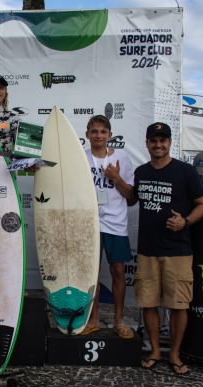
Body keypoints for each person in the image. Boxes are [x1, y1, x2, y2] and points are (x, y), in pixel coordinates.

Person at [131, 122, 203, 375]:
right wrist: (116, 179)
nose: (158, 144)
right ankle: (154, 350)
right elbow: (132, 197)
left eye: (163, 140)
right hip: (147, 251)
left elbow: (202, 204)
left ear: (170, 142)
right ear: (147, 143)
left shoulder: (186, 171)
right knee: (149, 303)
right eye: (154, 140)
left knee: (178, 305)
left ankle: (174, 354)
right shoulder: (141, 171)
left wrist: (185, 221)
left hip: (178, 251)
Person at [82, 115, 135, 339]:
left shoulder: (122, 158)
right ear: (87, 135)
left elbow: (131, 197)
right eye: (94, 131)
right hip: (89, 223)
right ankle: (93, 320)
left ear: (110, 135)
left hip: (115, 223)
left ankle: (118, 320)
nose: (98, 135)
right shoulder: (81, 158)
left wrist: (116, 178)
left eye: (103, 132)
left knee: (118, 272)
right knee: (90, 274)